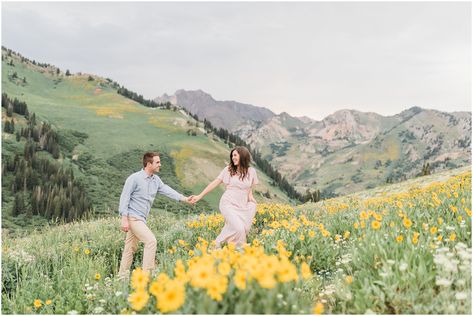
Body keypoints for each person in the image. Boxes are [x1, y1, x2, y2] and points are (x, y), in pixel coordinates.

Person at [118, 152, 193, 279]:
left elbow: (167, 190)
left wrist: (185, 199)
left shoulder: (156, 180)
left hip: (141, 219)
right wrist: (124, 219)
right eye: (157, 162)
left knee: (129, 249)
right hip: (133, 218)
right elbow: (124, 198)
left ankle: (121, 278)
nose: (160, 164)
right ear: (148, 164)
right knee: (151, 241)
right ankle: (147, 277)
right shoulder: (134, 178)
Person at [191, 146, 258, 248]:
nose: (233, 158)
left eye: (235, 155)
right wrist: (200, 196)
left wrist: (250, 195)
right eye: (232, 156)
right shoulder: (228, 170)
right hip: (228, 203)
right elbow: (215, 183)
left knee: (241, 229)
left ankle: (226, 249)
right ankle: (230, 249)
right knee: (238, 228)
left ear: (242, 155)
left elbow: (250, 187)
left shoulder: (251, 171)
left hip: (242, 205)